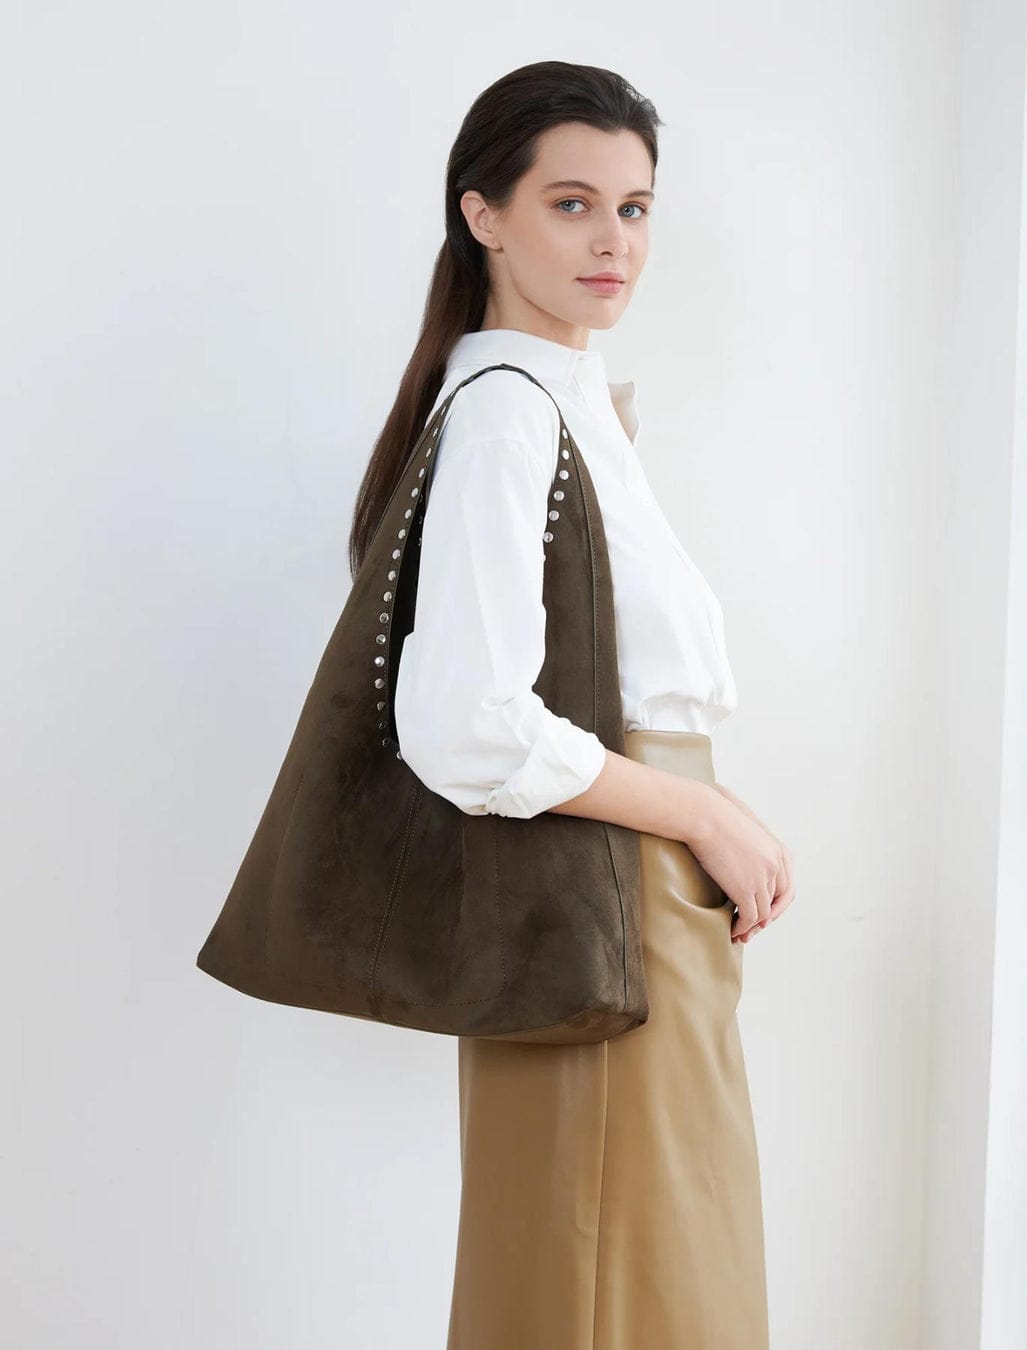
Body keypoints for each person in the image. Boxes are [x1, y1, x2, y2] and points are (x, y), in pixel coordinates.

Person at [347, 59, 794, 1350]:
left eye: (636, 208)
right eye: (573, 203)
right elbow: (468, 721)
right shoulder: (509, 418)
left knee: (647, 1260)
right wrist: (700, 813)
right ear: (484, 214)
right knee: (620, 1277)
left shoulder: (563, 407)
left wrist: (702, 818)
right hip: (607, 879)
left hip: (633, 874)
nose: (615, 242)